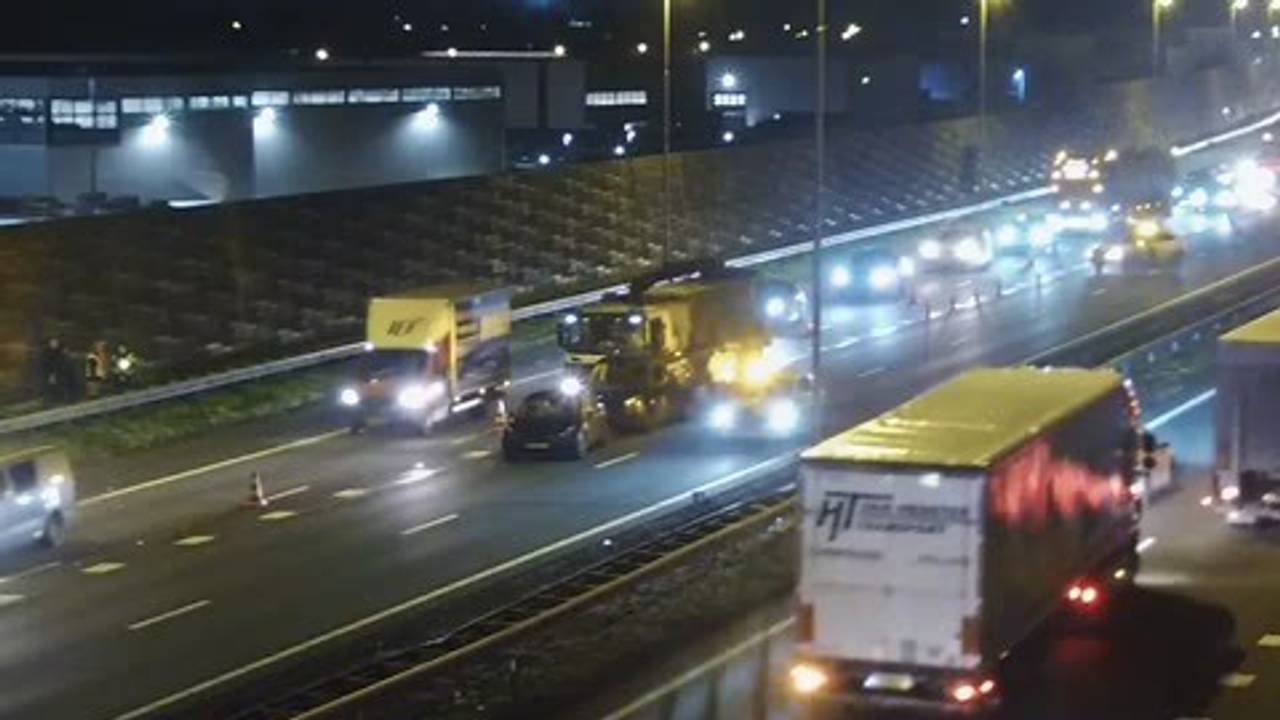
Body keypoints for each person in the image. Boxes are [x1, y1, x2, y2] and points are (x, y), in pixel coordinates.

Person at [38, 337, 72, 405]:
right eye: (53, 342)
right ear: (49, 343)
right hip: (51, 373)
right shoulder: (47, 353)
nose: (54, 344)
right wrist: (51, 374)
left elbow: (62, 362)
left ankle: (61, 400)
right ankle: (50, 401)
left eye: (56, 342)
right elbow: (46, 364)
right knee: (51, 387)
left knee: (60, 386)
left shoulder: (60, 352)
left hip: (60, 373)